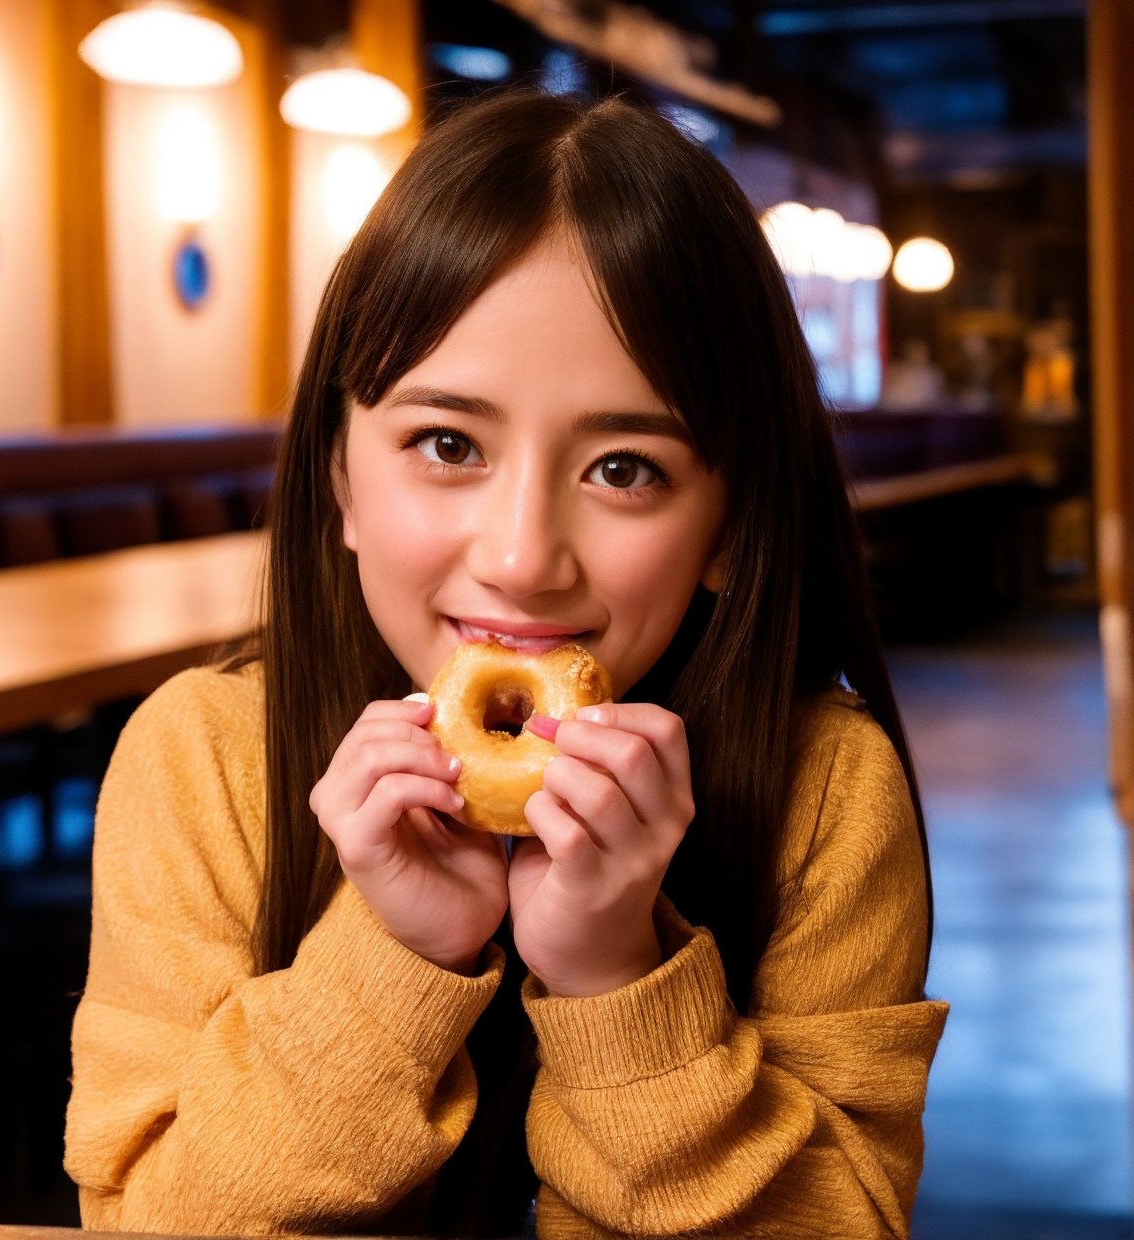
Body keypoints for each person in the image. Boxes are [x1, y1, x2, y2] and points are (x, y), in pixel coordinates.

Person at [64, 89, 947, 1239]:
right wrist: (394, 950)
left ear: (729, 521)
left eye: (626, 468)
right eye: (446, 444)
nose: (525, 559)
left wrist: (615, 976)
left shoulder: (822, 791)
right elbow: (147, 1219)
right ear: (339, 479)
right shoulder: (207, 756)